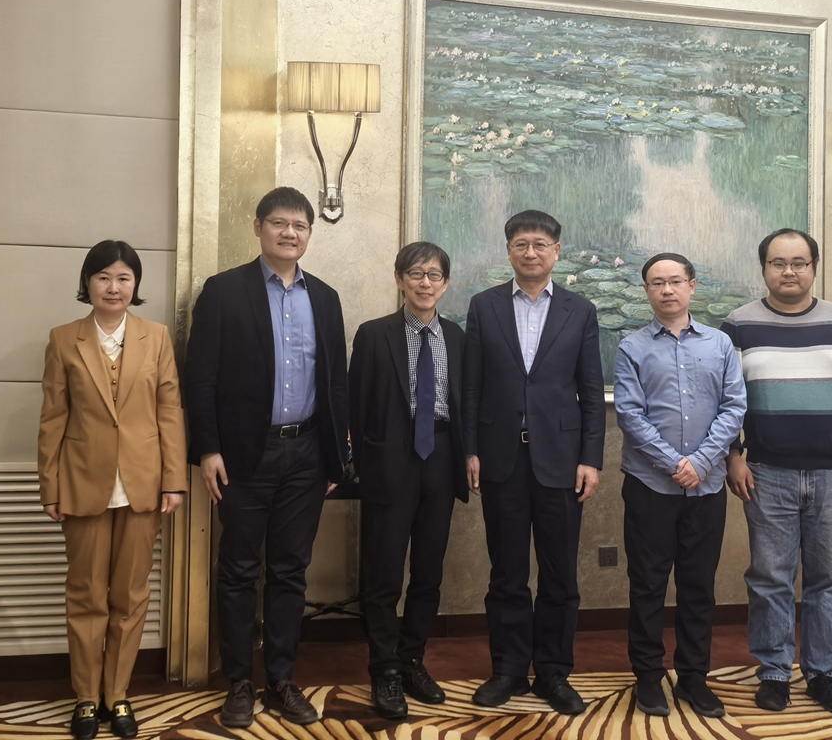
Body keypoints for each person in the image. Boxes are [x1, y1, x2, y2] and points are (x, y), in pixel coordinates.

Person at [184, 187, 350, 729]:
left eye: (299, 226)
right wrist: (207, 448)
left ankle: (281, 679)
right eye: (279, 223)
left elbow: (336, 384)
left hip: (307, 454)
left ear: (310, 234)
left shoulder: (325, 298)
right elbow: (200, 378)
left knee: (290, 571)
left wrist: (334, 459)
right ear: (258, 227)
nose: (289, 233)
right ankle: (239, 681)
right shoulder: (224, 291)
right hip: (242, 455)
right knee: (238, 569)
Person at [720, 229, 832, 717]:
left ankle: (824, 674)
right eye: (778, 263)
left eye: (799, 262)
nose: (788, 271)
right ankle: (774, 673)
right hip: (766, 473)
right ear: (764, 268)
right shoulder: (738, 325)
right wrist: (732, 455)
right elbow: (725, 399)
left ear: (813, 267)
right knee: (770, 578)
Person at [38, 240, 186, 740]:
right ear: (88, 283)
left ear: (135, 284)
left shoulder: (156, 337)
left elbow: (170, 411)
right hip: (82, 483)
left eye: (124, 277)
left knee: (131, 594)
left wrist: (174, 480)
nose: (113, 287)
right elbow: (52, 418)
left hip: (143, 485)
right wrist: (50, 485)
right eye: (103, 277)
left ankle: (117, 694)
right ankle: (85, 697)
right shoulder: (64, 339)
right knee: (86, 594)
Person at [463, 209, 606, 715]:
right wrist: (471, 449)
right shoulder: (484, 306)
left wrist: (591, 458)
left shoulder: (579, 310)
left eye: (540, 244)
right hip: (500, 458)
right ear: (509, 250)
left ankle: (553, 671)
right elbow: (471, 386)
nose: (530, 252)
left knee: (559, 574)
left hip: (562, 461)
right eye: (521, 244)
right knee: (506, 572)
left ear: (556, 252)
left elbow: (592, 393)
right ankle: (507, 669)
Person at [614, 253, 747, 718]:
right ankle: (648, 678)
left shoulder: (720, 344)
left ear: (692, 286)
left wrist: (703, 461)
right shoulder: (631, 347)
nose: (667, 290)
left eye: (675, 281)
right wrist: (676, 464)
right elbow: (629, 414)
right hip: (650, 486)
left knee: (698, 588)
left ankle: (693, 678)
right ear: (646, 291)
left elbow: (734, 406)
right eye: (657, 283)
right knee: (647, 585)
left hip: (706, 489)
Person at [349, 242, 468, 720]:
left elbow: (465, 404)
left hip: (441, 457)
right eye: (416, 274)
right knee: (383, 573)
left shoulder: (456, 336)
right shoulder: (374, 334)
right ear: (399, 279)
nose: (425, 283)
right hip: (390, 462)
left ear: (445, 283)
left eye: (434, 275)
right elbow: (356, 405)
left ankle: (412, 659)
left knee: (428, 571)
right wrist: (362, 463)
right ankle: (384, 669)